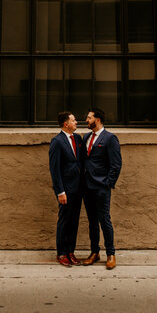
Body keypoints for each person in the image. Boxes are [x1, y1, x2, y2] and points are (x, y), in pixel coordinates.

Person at [82, 107, 122, 270]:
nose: (86, 120)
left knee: (104, 220)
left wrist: (107, 183)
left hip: (101, 187)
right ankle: (94, 252)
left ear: (97, 120)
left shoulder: (110, 138)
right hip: (86, 186)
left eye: (89, 117)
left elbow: (116, 164)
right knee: (92, 222)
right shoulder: (86, 137)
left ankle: (111, 254)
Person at [49, 111, 84, 267]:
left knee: (74, 221)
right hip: (66, 190)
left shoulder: (78, 139)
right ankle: (61, 253)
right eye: (73, 120)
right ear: (66, 124)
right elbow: (54, 169)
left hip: (78, 188)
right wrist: (60, 191)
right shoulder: (57, 141)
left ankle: (71, 251)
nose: (76, 122)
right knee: (64, 221)